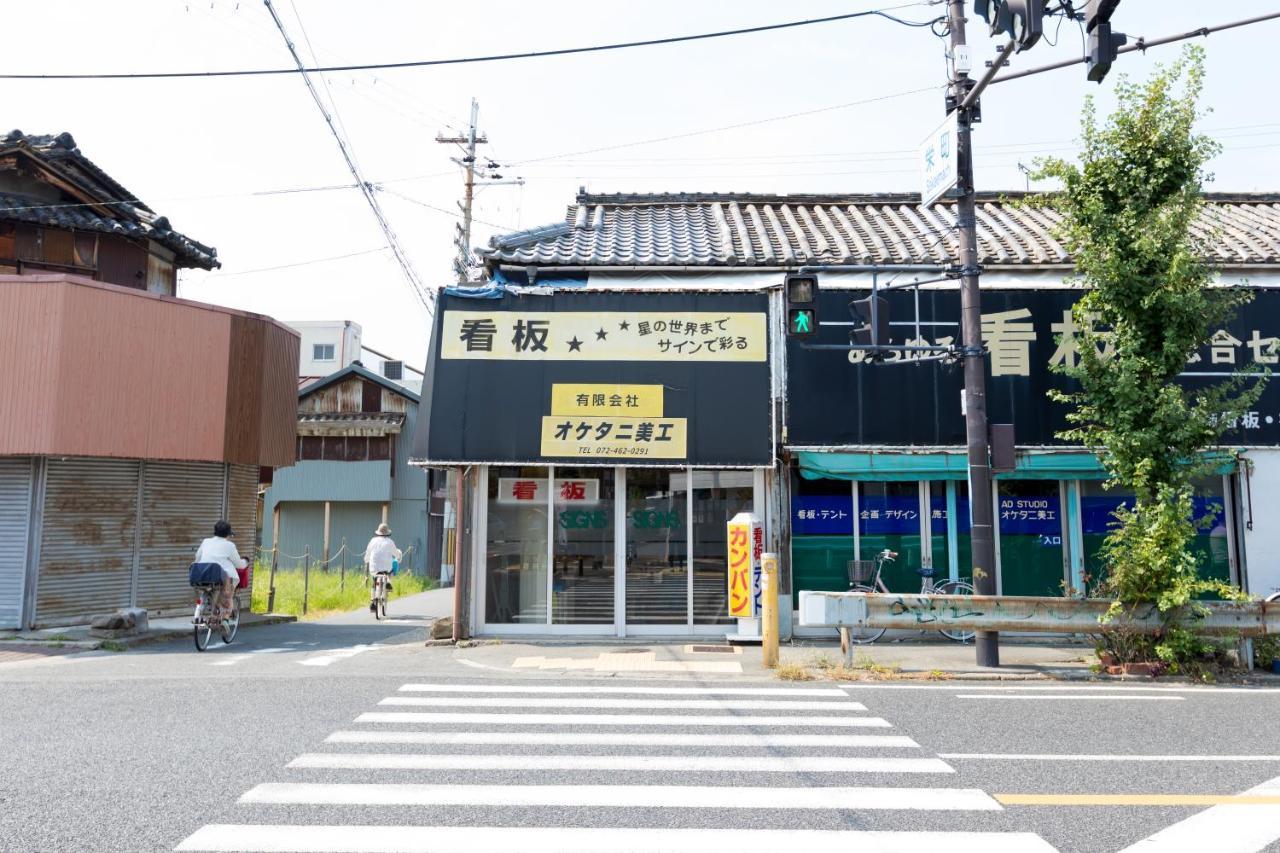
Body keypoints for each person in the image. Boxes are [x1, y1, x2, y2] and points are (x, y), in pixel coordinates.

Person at [194, 520, 246, 619]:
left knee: (213, 590)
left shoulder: (206, 541)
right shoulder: (230, 545)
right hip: (221, 578)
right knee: (228, 597)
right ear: (228, 534)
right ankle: (226, 619)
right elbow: (239, 564)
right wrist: (245, 562)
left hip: (203, 575)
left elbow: (197, 557)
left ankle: (212, 610)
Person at [364, 523, 402, 612]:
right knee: (390, 570)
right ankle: (388, 582)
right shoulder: (390, 542)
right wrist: (398, 556)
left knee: (374, 582)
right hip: (386, 567)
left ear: (378, 532)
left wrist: (366, 560)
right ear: (388, 533)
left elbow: (368, 553)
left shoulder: (373, 541)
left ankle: (373, 601)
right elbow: (396, 554)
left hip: (374, 568)